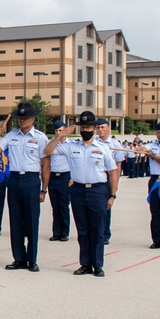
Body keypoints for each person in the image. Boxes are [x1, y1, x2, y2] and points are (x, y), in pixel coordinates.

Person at [43, 111, 118, 277]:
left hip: (98, 191)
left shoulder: (103, 148)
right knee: (82, 230)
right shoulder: (71, 147)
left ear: (94, 128)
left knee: (97, 229)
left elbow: (113, 172)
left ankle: (97, 265)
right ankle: (85, 263)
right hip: (77, 190)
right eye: (83, 127)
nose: (86, 129)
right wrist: (60, 135)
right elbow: (47, 151)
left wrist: (112, 195)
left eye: (89, 126)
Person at [0, 102, 48, 272]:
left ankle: (32, 259)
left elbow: (46, 165)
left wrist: (44, 189)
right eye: (20, 118)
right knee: (15, 221)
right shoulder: (11, 136)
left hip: (31, 180)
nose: (22, 121)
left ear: (33, 118)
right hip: (14, 179)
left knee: (31, 221)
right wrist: (1, 129)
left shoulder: (40, 137)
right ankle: (19, 258)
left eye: (26, 118)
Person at [95, 119, 127, 244]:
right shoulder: (94, 142)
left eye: (103, 127)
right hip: (96, 175)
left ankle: (105, 234)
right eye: (98, 127)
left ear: (109, 128)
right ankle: (97, 232)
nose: (100, 130)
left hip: (109, 176)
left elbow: (118, 166)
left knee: (106, 207)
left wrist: (115, 183)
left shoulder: (115, 144)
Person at [46, 120, 72, 242]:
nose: (58, 133)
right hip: (53, 176)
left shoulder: (70, 145)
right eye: (56, 131)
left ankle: (64, 232)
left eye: (60, 130)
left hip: (65, 176)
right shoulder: (51, 143)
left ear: (65, 130)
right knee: (55, 207)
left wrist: (72, 178)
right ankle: (56, 232)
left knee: (63, 206)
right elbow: (47, 153)